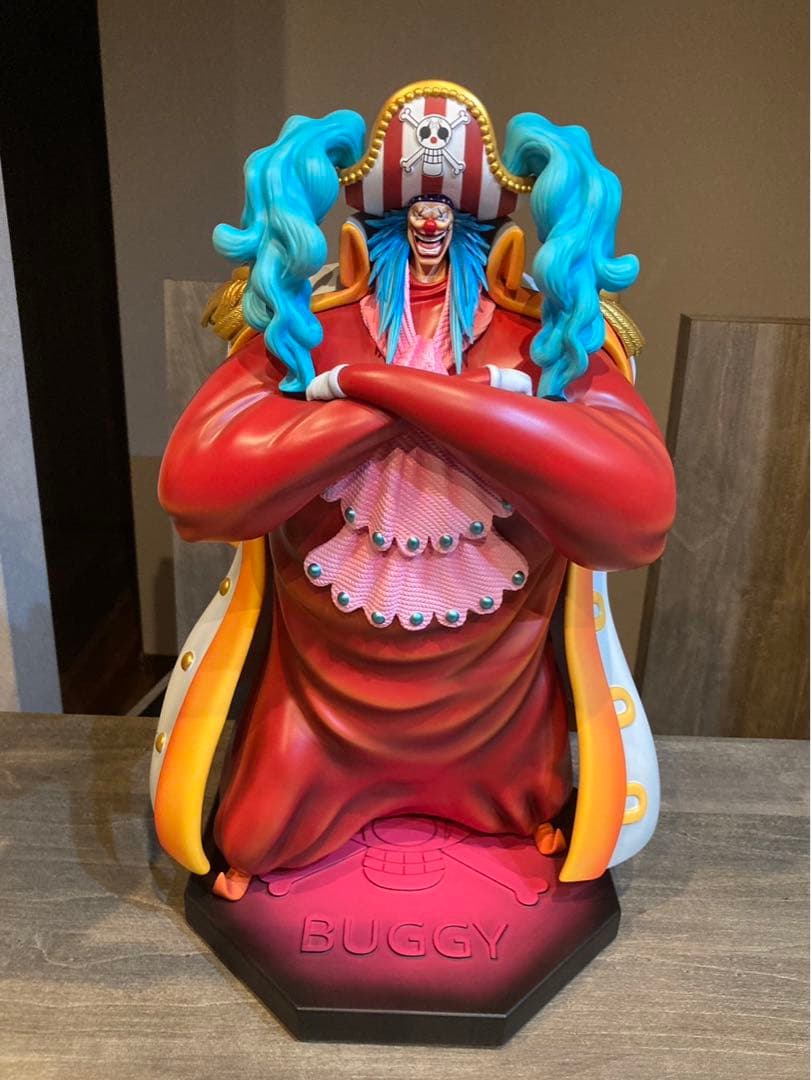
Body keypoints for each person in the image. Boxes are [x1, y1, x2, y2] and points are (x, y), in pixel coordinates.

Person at [154, 82, 676, 901]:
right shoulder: (303, 328)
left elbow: (636, 514)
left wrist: (367, 388)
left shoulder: (546, 340)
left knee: (529, 808)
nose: (429, 224)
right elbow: (197, 490)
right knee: (253, 836)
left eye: (449, 211)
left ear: (487, 232)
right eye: (409, 209)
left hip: (496, 711)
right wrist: (428, 397)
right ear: (373, 225)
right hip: (321, 705)